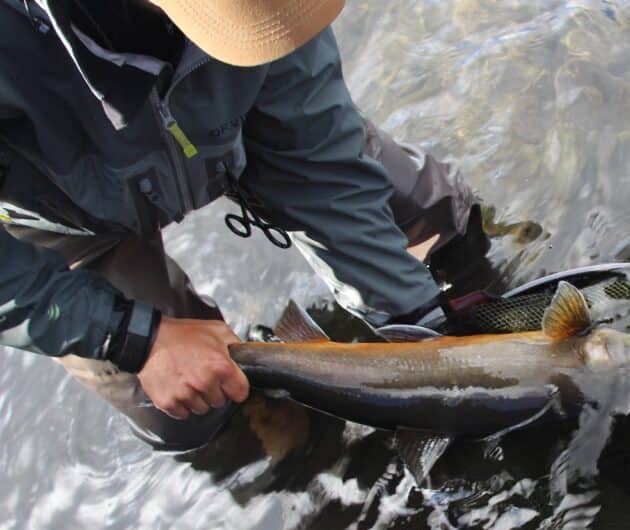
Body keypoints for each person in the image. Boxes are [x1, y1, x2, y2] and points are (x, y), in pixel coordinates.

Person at [0, 0, 493, 450]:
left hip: (232, 131)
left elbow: (320, 164)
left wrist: (419, 326)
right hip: (67, 213)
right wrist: (131, 336)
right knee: (185, 413)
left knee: (436, 217)